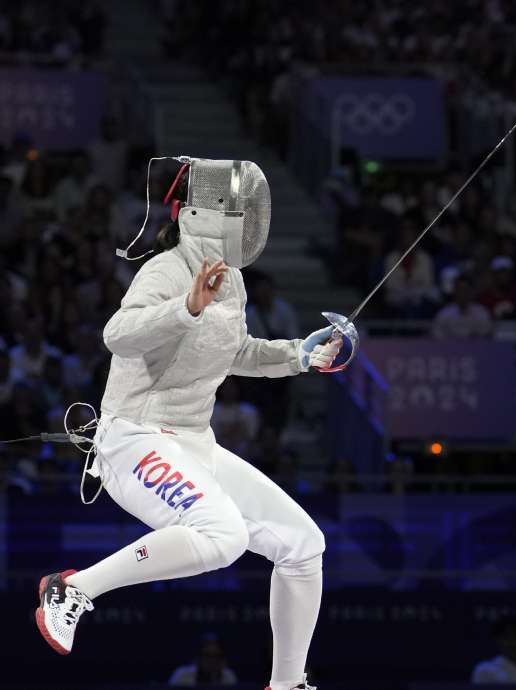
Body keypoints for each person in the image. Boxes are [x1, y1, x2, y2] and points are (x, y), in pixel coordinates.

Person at [33, 158, 340, 690]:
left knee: (303, 543)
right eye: (239, 211)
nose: (248, 222)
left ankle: (287, 685)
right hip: (133, 438)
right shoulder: (168, 270)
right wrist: (186, 307)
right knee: (223, 537)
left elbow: (234, 349)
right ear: (204, 213)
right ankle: (71, 588)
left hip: (194, 442)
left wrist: (299, 355)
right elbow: (118, 334)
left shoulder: (234, 282)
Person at [168, 633, 239, 686]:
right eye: (207, 655)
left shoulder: (229, 677)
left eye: (217, 656)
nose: (212, 661)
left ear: (223, 659)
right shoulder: (182, 676)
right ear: (198, 658)